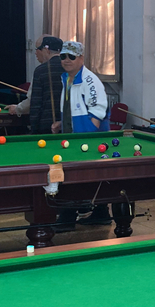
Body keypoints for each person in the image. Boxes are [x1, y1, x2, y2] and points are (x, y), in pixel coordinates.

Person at [56, 40, 112, 225]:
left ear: (81, 58)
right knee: (80, 179)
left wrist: (87, 137)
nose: (66, 60)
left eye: (71, 57)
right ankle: (101, 214)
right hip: (73, 137)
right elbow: (74, 107)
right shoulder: (67, 78)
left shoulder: (89, 80)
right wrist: (62, 124)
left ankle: (67, 218)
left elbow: (98, 111)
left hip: (87, 140)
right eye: (63, 56)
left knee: (75, 178)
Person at [8, 34, 62, 132]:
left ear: (46, 50)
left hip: (45, 124)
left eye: (38, 49)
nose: (36, 52)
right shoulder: (71, 68)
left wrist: (18, 109)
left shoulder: (40, 70)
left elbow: (34, 100)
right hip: (66, 123)